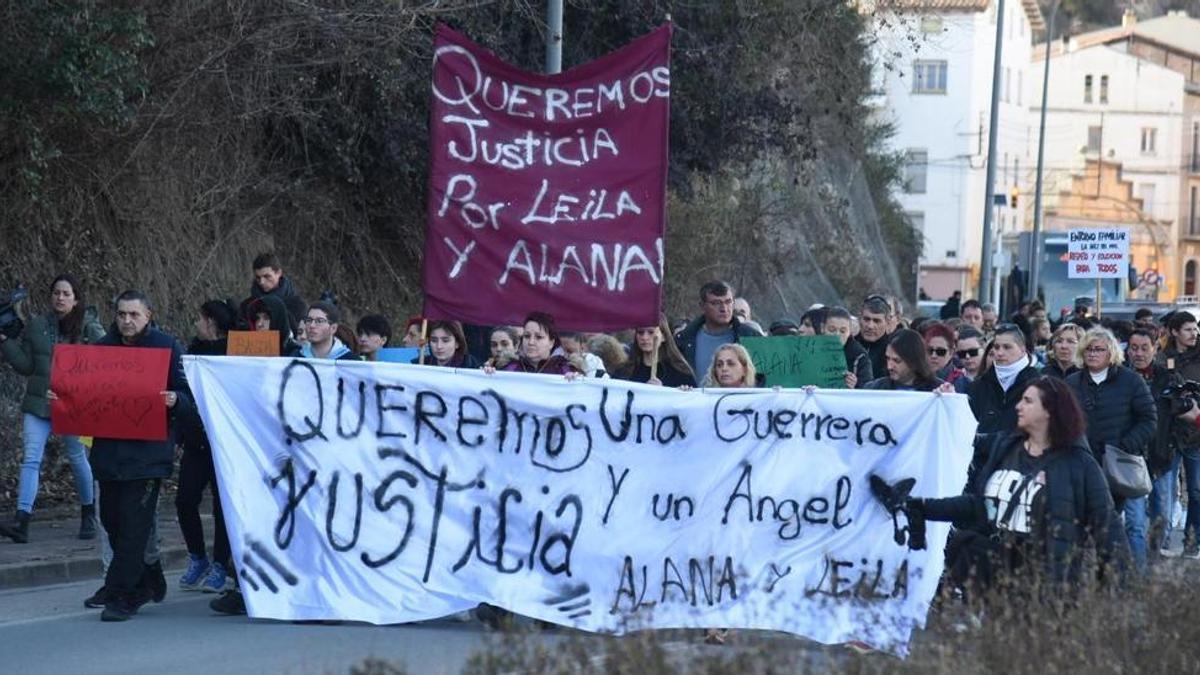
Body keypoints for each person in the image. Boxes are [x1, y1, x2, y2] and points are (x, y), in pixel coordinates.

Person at [872, 377, 1120, 592]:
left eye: (1028, 401)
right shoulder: (1007, 448)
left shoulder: (1079, 465)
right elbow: (979, 503)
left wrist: (1119, 590)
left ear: (1050, 411)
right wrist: (925, 507)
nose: (1018, 406)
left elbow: (1108, 529)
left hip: (1048, 586)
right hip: (996, 580)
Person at [70, 291, 193, 621]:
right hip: (109, 454)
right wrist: (61, 392)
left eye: (133, 315)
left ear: (148, 315)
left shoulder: (166, 348)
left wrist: (175, 400)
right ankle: (148, 575)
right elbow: (83, 396)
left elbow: (188, 393)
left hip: (148, 455)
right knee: (112, 521)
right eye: (122, 314)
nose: (127, 320)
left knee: (134, 526)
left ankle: (124, 593)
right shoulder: (100, 351)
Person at [0, 275, 105, 543]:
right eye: (56, 292)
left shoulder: (89, 328)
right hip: (38, 403)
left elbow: (106, 363)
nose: (60, 297)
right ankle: (22, 521)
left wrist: (76, 389)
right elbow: (26, 366)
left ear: (76, 299)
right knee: (31, 459)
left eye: (66, 293)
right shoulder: (37, 326)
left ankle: (88, 512)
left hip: (73, 405)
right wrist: (5, 342)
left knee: (77, 457)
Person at [1066, 327, 1157, 573]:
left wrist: (1124, 446)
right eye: (1088, 349)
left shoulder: (1130, 381)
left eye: (1099, 349)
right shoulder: (1072, 382)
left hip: (1114, 468)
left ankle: (1109, 585)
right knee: (1077, 529)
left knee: (1108, 528)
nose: (1092, 354)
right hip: (1079, 465)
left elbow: (1148, 420)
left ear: (1111, 352)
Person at [176, 300, 237, 594]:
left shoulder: (234, 353)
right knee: (185, 499)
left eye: (200, 319)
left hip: (224, 444)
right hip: (196, 441)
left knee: (221, 506)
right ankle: (197, 557)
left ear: (212, 322)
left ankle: (220, 565)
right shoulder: (192, 350)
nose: (196, 324)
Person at [1126, 328, 1200, 558]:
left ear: (1155, 348)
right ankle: (1138, 568)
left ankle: (1154, 558)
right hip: (1130, 458)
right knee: (1135, 520)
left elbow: (1185, 410)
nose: (1139, 353)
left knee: (1162, 516)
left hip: (1162, 457)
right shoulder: (1120, 377)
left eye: (1144, 348)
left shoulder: (1168, 377)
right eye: (1134, 348)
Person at [1156, 310, 1200, 558]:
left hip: (1197, 433)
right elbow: (1163, 392)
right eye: (1188, 329)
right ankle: (1161, 541)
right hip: (1170, 434)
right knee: (1166, 492)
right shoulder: (1164, 358)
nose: (1194, 333)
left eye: (1195, 328)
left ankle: (1192, 542)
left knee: (1195, 491)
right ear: (1174, 332)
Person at [675, 281, 761, 378]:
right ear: (702, 306)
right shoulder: (684, 340)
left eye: (728, 302)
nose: (724, 308)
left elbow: (763, 377)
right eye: (716, 303)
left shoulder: (751, 336)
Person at [968, 323, 1040, 435]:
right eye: (996, 347)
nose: (1000, 353)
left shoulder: (1038, 384)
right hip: (984, 451)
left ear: (1022, 350)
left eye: (1007, 347)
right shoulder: (978, 386)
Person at [615, 315, 697, 388]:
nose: (644, 337)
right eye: (640, 332)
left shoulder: (680, 373)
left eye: (651, 332)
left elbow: (691, 401)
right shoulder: (624, 372)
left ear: (663, 336)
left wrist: (663, 392)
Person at [492, 312, 583, 375]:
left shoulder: (565, 370)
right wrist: (488, 376)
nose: (531, 342)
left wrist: (575, 383)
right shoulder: (508, 368)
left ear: (551, 343)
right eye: (527, 336)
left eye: (539, 337)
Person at [864, 329, 949, 392]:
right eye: (888, 358)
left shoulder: (937, 390)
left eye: (896, 361)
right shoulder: (875, 389)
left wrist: (949, 399)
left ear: (913, 361)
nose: (889, 366)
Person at [249, 253, 306, 335]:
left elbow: (303, 339)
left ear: (279, 273)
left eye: (267, 276)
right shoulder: (249, 305)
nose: (261, 282)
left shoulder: (297, 306)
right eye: (258, 277)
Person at [824, 306, 872, 389]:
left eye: (842, 331)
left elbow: (868, 390)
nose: (837, 335)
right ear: (823, 329)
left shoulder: (860, 356)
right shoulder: (811, 349)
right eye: (832, 330)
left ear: (849, 332)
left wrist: (855, 385)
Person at [854, 295, 895, 381]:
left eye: (877, 321)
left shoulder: (895, 350)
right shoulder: (848, 346)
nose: (870, 326)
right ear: (859, 318)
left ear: (887, 322)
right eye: (866, 319)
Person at [921, 322, 969, 393]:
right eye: (929, 351)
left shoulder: (964, 383)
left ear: (951, 352)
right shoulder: (915, 380)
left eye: (940, 351)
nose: (934, 356)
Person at [414, 320, 481, 368]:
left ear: (457, 343)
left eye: (445, 341)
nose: (439, 346)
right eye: (434, 340)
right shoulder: (419, 365)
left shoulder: (472, 366)